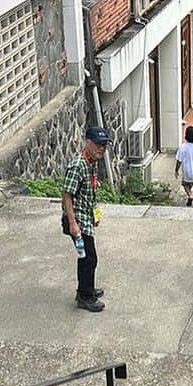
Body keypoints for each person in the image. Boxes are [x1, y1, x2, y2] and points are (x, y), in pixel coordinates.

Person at [62, 126, 110, 313]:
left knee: (87, 258)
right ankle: (85, 297)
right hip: (77, 220)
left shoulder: (91, 164)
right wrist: (73, 224)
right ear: (87, 143)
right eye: (98, 145)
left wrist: (94, 214)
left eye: (104, 146)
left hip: (85, 219)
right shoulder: (78, 166)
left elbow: (89, 192)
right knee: (89, 258)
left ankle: (86, 290)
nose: (101, 149)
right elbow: (67, 194)